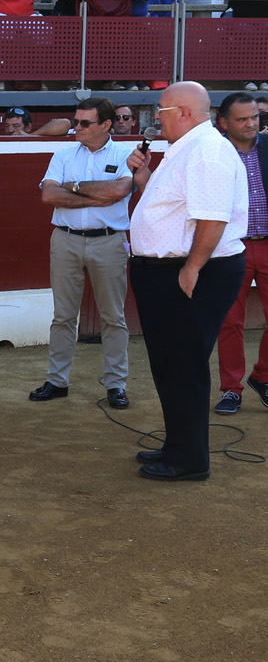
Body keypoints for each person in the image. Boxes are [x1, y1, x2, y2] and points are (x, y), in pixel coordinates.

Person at [127, 81, 247, 482]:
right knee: (171, 362)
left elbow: (213, 218)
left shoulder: (207, 151)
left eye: (160, 110)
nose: (155, 118)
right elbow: (175, 208)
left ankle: (189, 459)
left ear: (183, 112)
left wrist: (192, 267)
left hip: (190, 270)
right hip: (170, 269)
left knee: (183, 364)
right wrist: (145, 178)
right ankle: (178, 445)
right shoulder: (189, 147)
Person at [29, 98, 137, 409]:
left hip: (109, 241)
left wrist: (73, 188)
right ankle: (57, 380)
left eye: (85, 123)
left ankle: (116, 384)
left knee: (113, 316)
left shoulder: (125, 153)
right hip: (66, 239)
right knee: (63, 316)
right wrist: (97, 196)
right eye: (76, 121)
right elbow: (49, 195)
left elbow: (119, 191)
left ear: (106, 125)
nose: (77, 127)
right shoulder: (63, 153)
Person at [211, 93, 267, 414]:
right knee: (230, 321)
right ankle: (231, 389)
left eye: (255, 117)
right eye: (242, 119)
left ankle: (263, 376)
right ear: (224, 122)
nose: (251, 124)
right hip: (232, 247)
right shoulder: (214, 153)